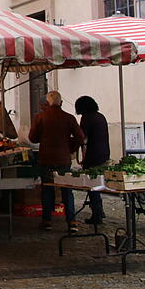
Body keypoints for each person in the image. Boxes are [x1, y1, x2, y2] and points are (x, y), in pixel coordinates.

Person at [29, 90, 85, 232]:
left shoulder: (40, 117)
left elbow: (33, 138)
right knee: (67, 189)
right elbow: (80, 136)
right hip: (63, 159)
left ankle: (47, 220)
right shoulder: (69, 118)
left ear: (48, 102)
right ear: (61, 102)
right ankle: (72, 221)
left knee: (47, 189)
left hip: (46, 158)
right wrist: (70, 147)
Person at [75, 95, 110, 225]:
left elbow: (81, 136)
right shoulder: (100, 116)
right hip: (104, 153)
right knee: (97, 183)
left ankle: (97, 213)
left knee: (92, 184)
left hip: (93, 155)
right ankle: (100, 211)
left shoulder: (87, 117)